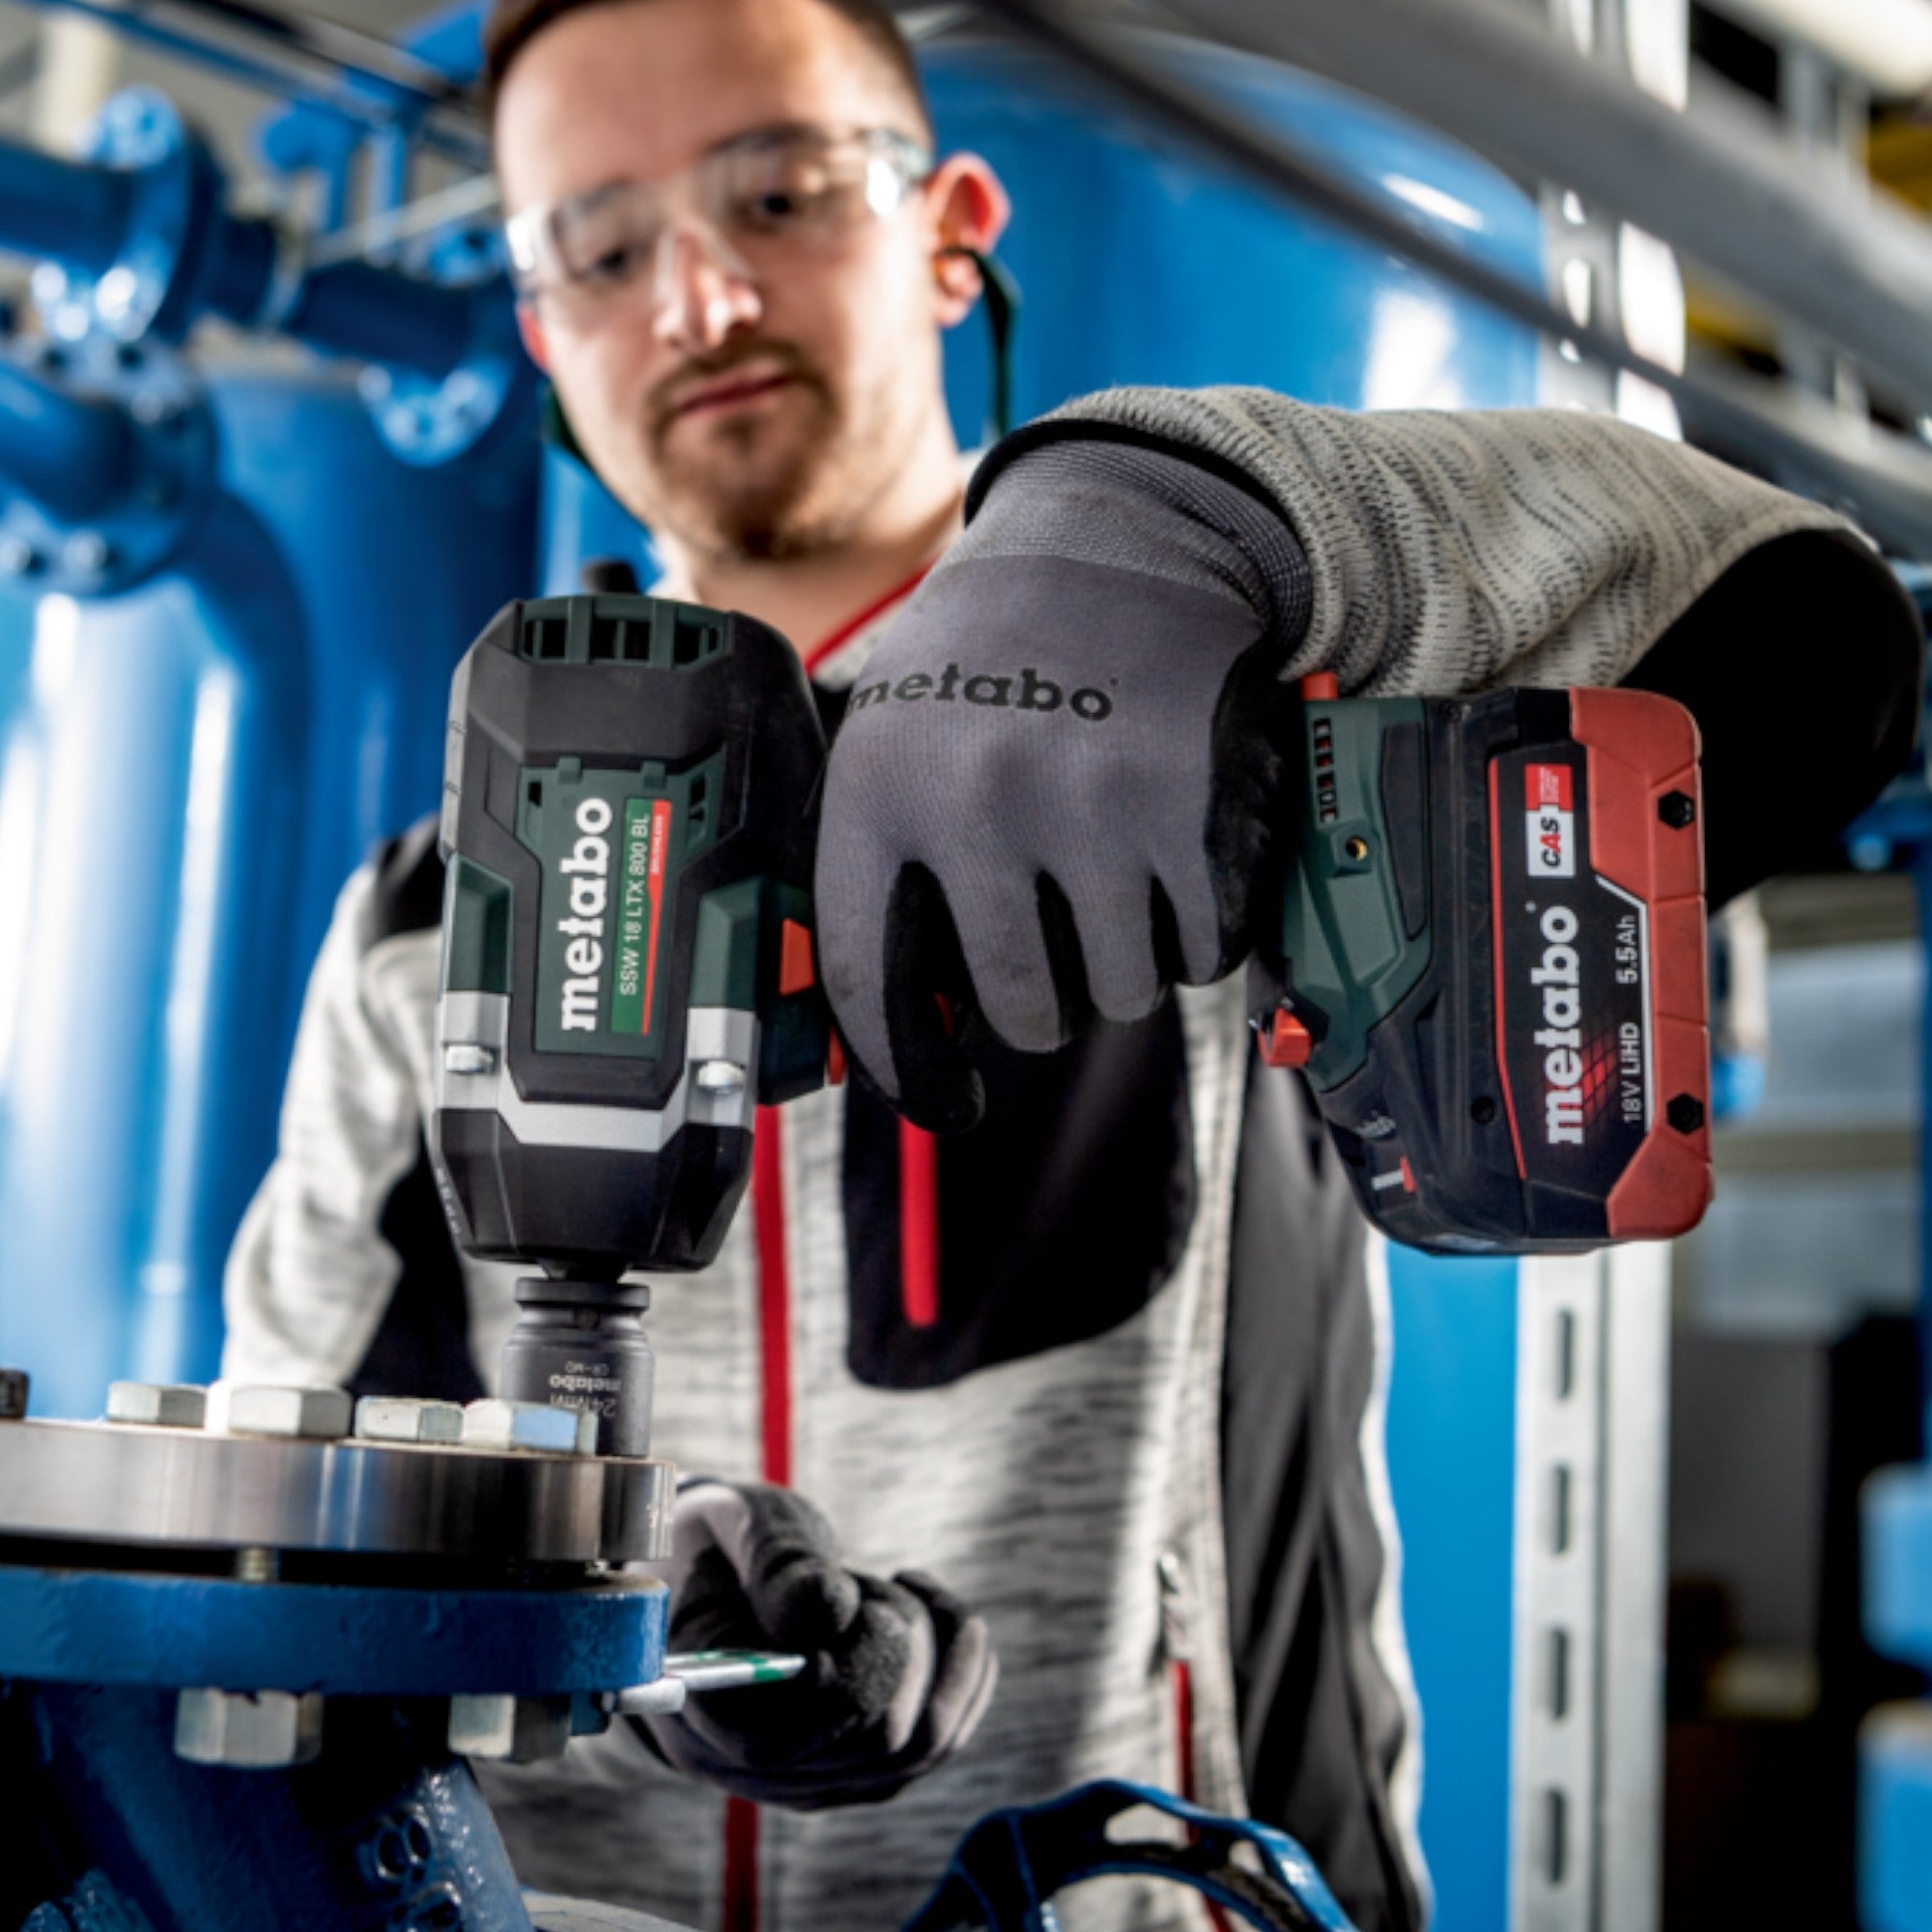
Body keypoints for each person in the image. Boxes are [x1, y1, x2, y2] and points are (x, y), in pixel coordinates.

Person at [223, 0, 1923, 1926]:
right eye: (602, 246)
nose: (699, 297)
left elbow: (1806, 633)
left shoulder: (1215, 720)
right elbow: (288, 1553)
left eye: (778, 192)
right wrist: (611, 1602)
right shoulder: (423, 922)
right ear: (541, 327)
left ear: (952, 232)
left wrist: (1193, 513)